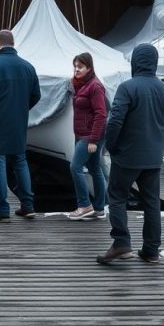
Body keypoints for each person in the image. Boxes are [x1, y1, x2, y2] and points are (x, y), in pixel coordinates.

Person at [98, 43, 164, 265]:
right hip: (153, 157)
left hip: (127, 156)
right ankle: (151, 250)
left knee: (117, 196)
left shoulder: (128, 88)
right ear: (154, 63)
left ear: (135, 62)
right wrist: (159, 144)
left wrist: (112, 146)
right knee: (152, 202)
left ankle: (121, 243)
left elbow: (115, 121)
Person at [0, 29, 42, 222]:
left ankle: (2, 208)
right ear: (13, 44)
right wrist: (21, 109)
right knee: (20, 161)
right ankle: (27, 206)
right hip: (18, 123)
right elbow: (36, 95)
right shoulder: (28, 67)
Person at [67, 53, 107, 220]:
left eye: (80, 66)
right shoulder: (82, 84)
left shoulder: (95, 86)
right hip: (84, 133)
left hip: (89, 135)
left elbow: (101, 114)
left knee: (75, 167)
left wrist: (93, 139)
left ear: (89, 68)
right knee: (95, 168)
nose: (76, 69)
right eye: (75, 65)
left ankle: (84, 205)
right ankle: (99, 208)